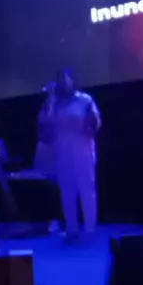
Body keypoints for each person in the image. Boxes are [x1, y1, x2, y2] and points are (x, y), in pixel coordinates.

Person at [38, 70, 101, 241]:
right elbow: (45, 126)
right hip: (62, 152)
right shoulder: (54, 103)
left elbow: (95, 122)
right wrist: (50, 99)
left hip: (83, 151)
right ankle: (71, 228)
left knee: (86, 189)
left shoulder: (85, 100)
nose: (63, 83)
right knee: (67, 191)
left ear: (73, 81)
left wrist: (89, 126)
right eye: (60, 80)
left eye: (65, 80)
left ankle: (90, 229)